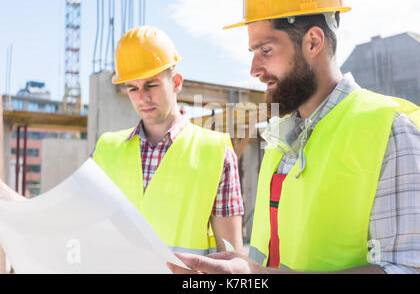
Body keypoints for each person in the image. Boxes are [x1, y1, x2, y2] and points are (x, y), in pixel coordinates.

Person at [169, 0, 420, 274]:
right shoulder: (280, 140)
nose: (254, 70)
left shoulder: (391, 129)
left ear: (313, 42)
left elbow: (412, 270)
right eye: (253, 53)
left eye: (265, 50)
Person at [0, 26, 244, 255]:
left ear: (176, 82)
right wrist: (9, 199)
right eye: (133, 88)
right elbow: (70, 217)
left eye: (151, 84)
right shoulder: (107, 149)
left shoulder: (215, 152)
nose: (143, 98)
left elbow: (231, 264)